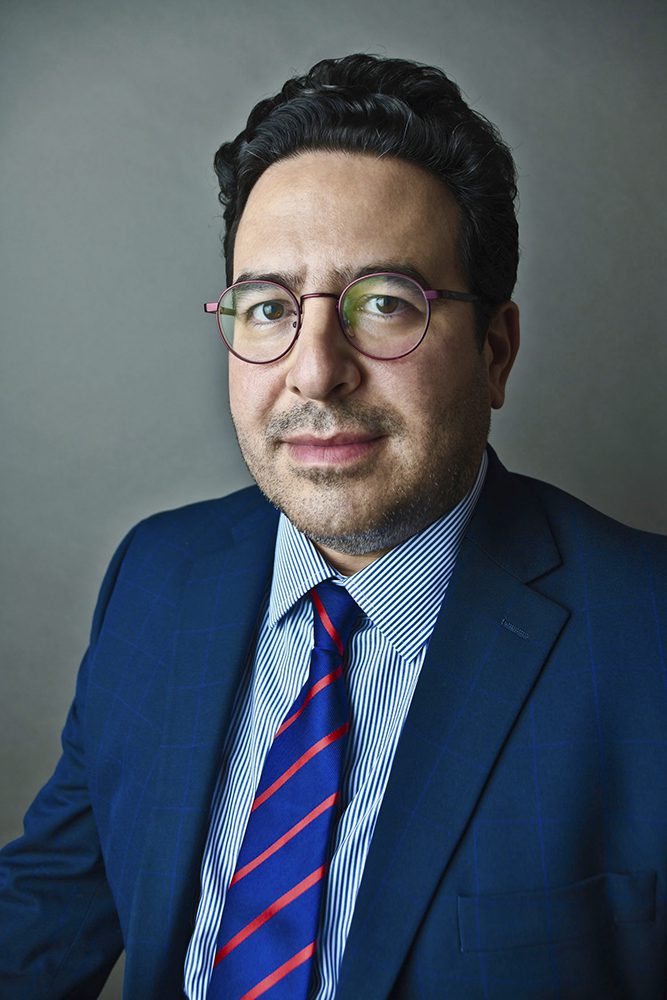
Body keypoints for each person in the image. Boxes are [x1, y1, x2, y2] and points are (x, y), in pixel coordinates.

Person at [1, 52, 665, 1000]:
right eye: (269, 306)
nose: (314, 371)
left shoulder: (648, 640)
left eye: (385, 305)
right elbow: (44, 913)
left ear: (496, 354)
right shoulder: (156, 576)